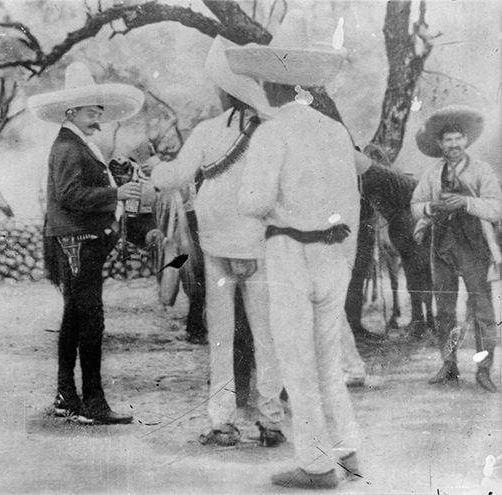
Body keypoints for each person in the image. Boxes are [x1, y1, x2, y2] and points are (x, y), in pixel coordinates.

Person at [230, 23, 362, 488]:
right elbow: (352, 201)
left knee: (297, 362)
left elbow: (252, 201)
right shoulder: (334, 130)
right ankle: (346, 449)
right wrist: (345, 255)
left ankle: (315, 463)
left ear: (273, 84)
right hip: (333, 251)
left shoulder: (272, 133)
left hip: (288, 249)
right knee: (328, 359)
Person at [143, 35, 286, 447]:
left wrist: (154, 170)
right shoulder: (273, 129)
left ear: (225, 89)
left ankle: (222, 422)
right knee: (266, 335)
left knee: (221, 337)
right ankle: (271, 421)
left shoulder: (207, 130)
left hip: (218, 245)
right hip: (259, 244)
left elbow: (173, 177)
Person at [28, 62, 144, 424]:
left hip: (78, 240)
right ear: (72, 111)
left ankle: (67, 397)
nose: (98, 117)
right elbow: (69, 194)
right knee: (89, 320)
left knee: (75, 319)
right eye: (93, 111)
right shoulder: (68, 146)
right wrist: (116, 192)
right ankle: (93, 404)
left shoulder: (75, 143)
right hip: (78, 241)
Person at [411, 105, 501, 393]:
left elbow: (496, 207)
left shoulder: (481, 170)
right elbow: (415, 207)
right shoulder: (432, 173)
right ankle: (449, 365)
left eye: (457, 139)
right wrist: (431, 206)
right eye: (447, 140)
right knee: (446, 311)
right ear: (440, 144)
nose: (453, 145)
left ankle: (484, 370)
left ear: (465, 141)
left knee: (484, 312)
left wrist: (465, 203)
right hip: (442, 246)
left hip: (474, 246)